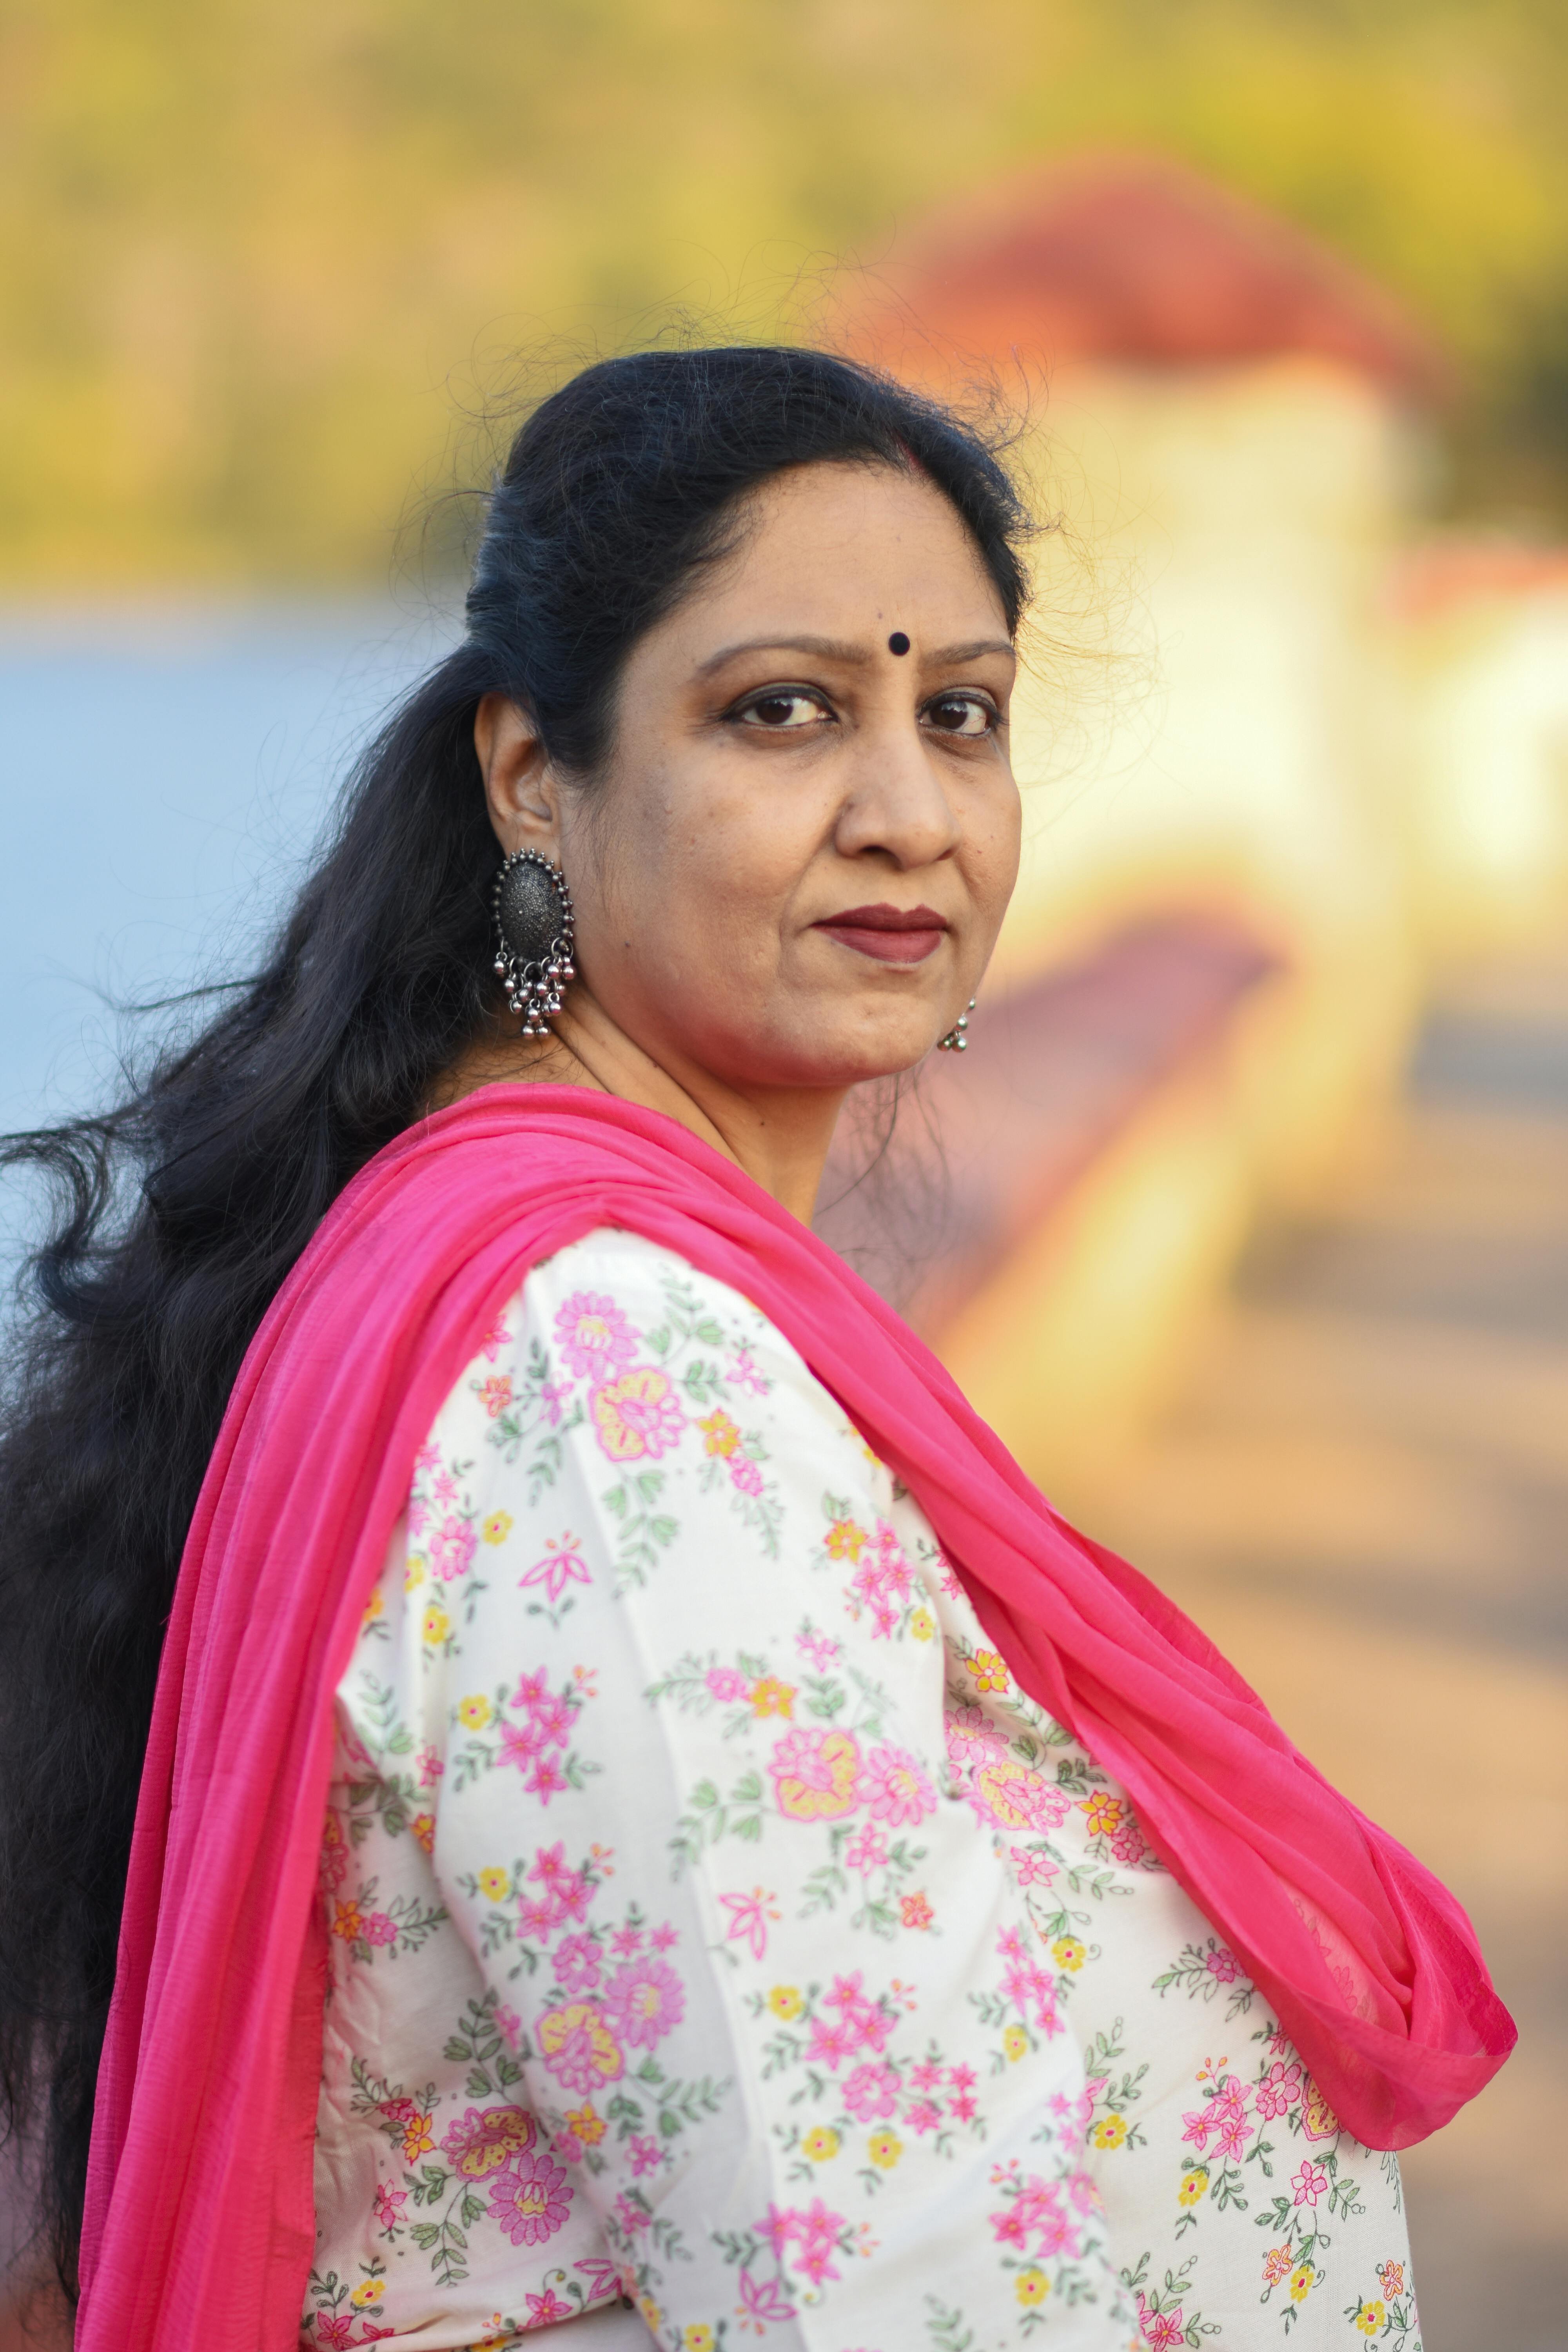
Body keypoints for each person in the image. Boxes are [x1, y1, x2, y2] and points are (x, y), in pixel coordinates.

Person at [0, 347, 1510, 2352]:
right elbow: (849, 2265)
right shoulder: (613, 1375)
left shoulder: (538, 1268)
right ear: (536, 774)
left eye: (957, 714)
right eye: (784, 710)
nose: (905, 813)